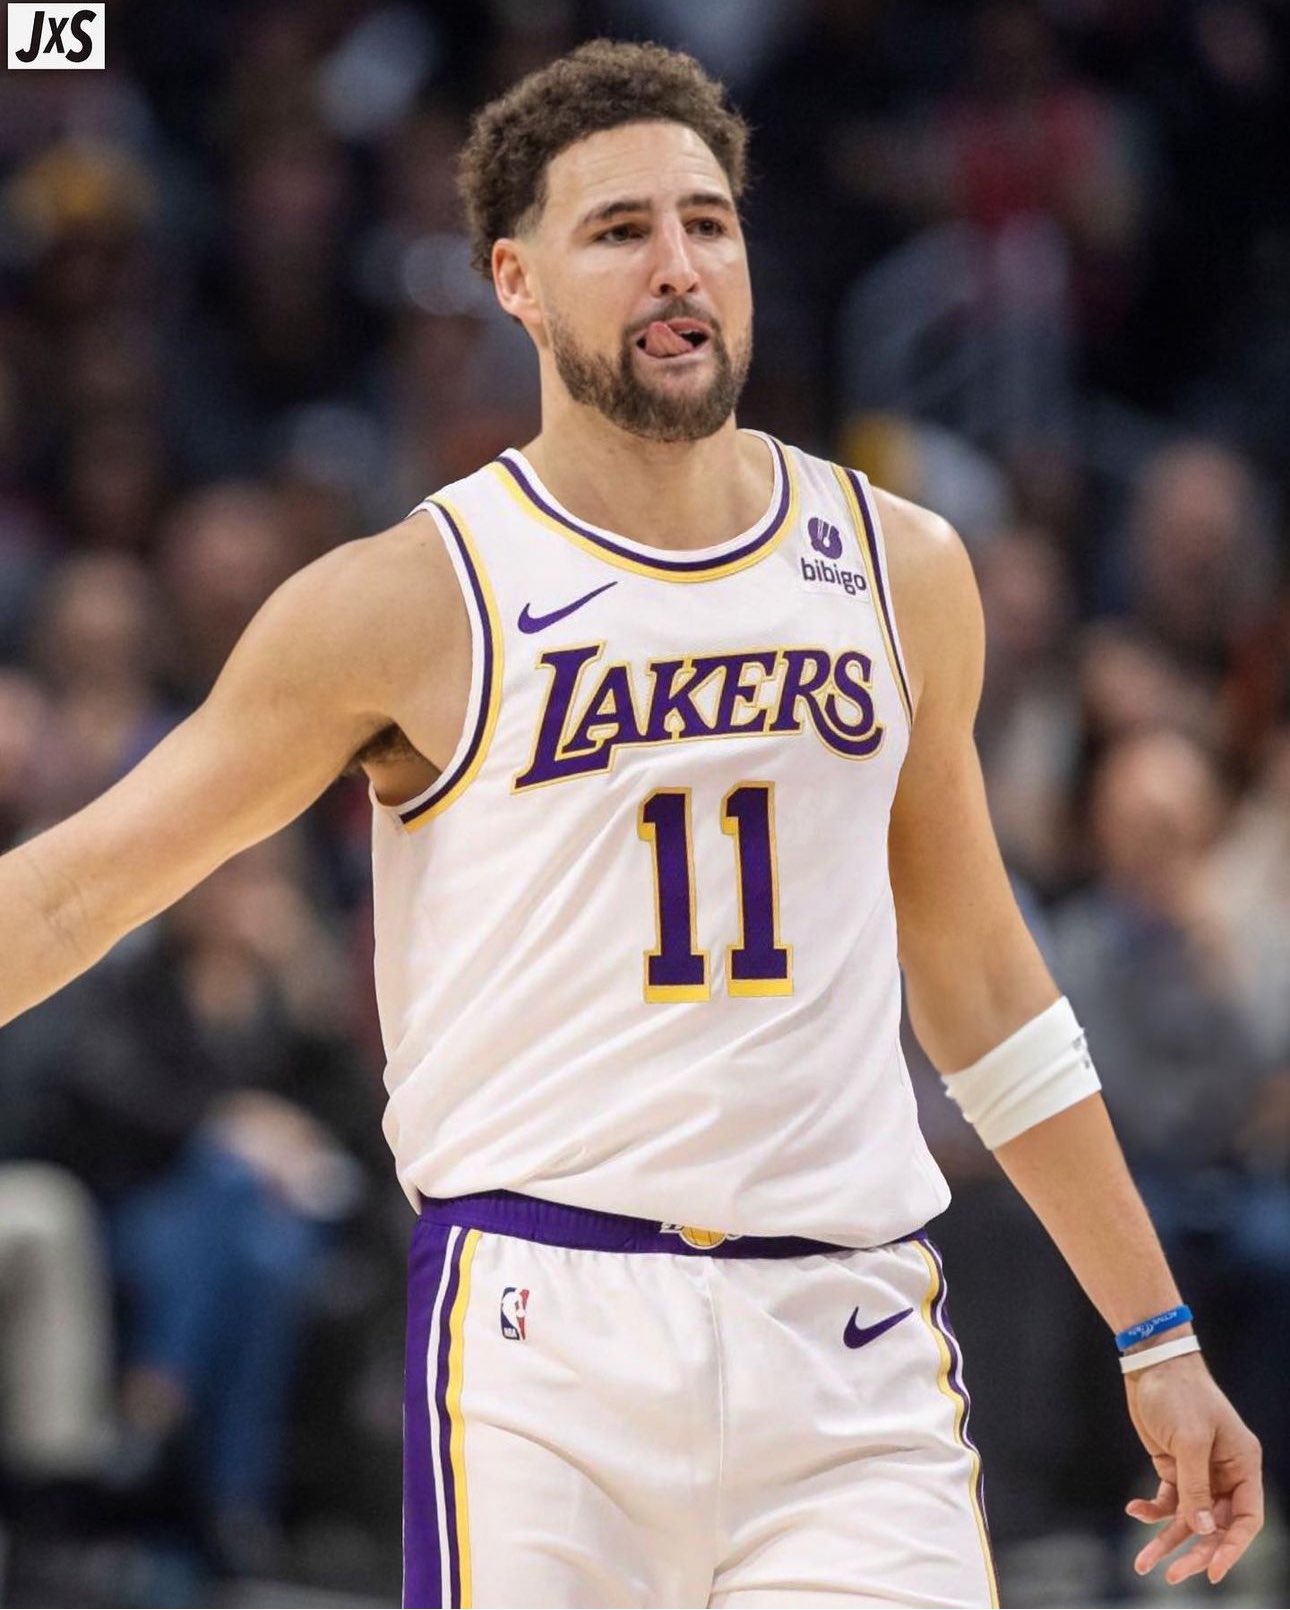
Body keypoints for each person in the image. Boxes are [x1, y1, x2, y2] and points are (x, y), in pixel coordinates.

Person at [0, 39, 1262, 1609]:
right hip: (545, 1337)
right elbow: (77, 890)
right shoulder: (410, 597)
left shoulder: (900, 566)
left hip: (847, 1337)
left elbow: (985, 985)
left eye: (706, 223)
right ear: (514, 281)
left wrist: (1156, 1333)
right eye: (618, 231)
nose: (678, 265)